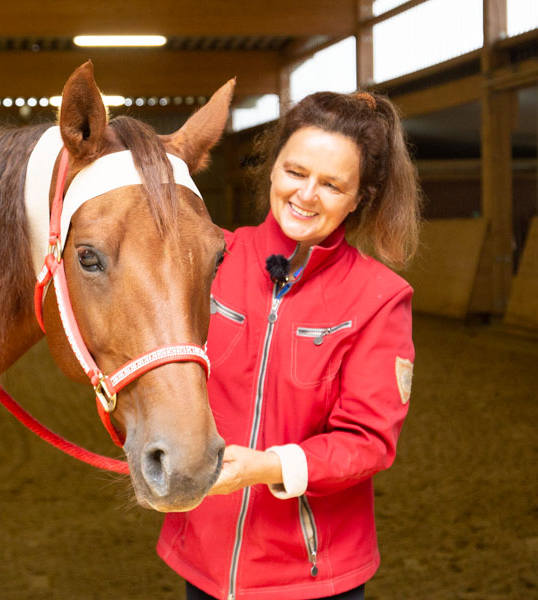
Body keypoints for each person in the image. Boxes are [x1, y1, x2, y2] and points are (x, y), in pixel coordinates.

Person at [157, 90, 422, 600]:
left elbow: (368, 441)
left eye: (331, 185)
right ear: (273, 169)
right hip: (205, 562)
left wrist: (267, 467)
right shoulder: (213, 259)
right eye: (296, 172)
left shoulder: (379, 299)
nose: (306, 195)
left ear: (360, 196)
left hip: (311, 576)